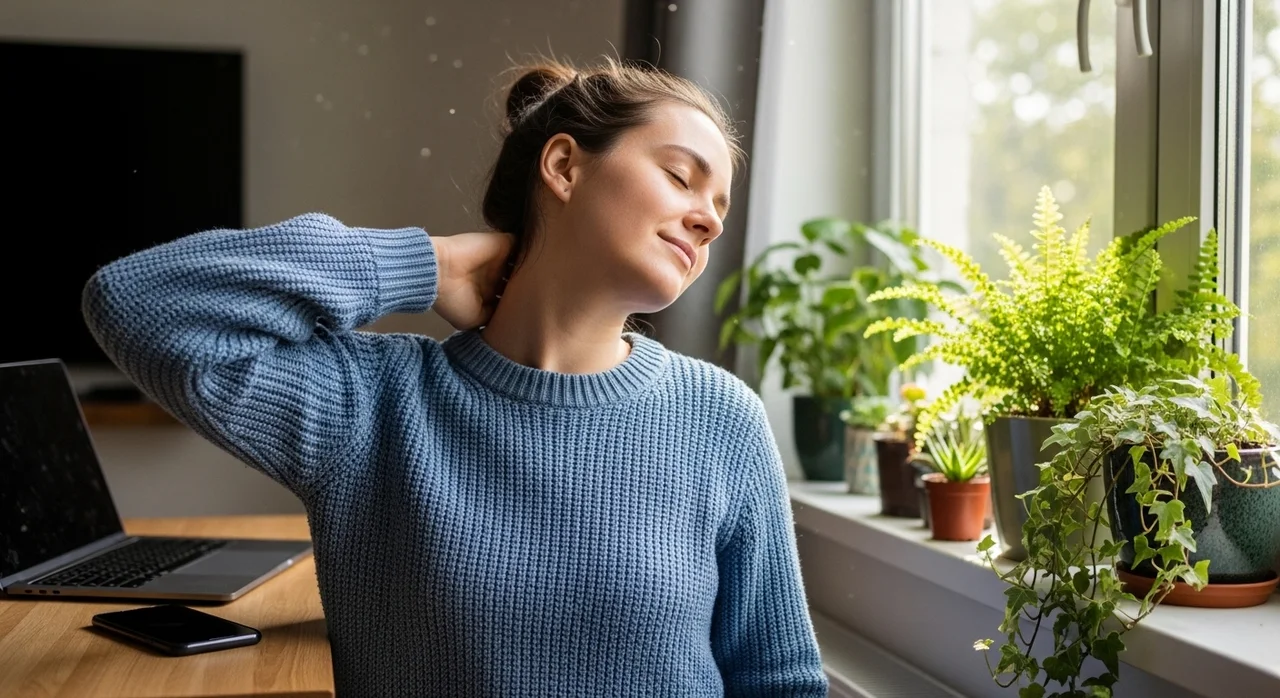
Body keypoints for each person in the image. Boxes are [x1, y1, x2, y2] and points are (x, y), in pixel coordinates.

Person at [83, 56, 828, 697]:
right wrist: (428, 263)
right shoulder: (371, 405)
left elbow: (779, 680)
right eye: (680, 177)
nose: (709, 221)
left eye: (719, 207)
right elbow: (137, 304)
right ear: (565, 166)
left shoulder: (721, 417)